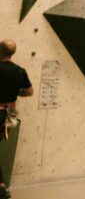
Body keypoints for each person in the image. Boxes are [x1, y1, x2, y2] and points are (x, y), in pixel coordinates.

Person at [0, 41, 33, 199]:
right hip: (11, 113)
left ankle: (1, 187)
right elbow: (29, 92)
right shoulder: (20, 71)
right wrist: (15, 92)